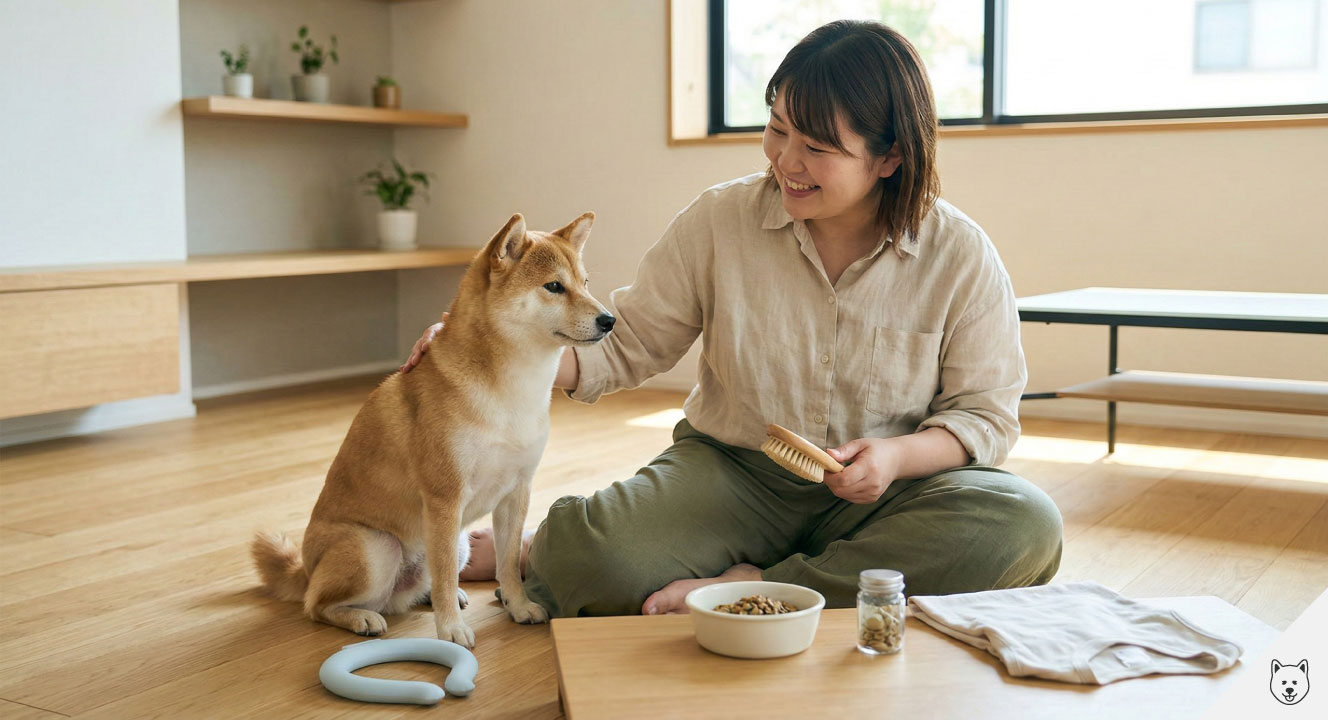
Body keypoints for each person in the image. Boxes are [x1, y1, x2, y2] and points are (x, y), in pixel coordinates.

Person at [403, 19, 1061, 617]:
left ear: (888, 157)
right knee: (585, 562)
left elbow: (984, 416)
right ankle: (547, 552)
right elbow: (628, 342)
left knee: (1026, 526)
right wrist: (485, 347)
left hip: (889, 496)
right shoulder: (719, 220)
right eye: (778, 129)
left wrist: (895, 456)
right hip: (733, 474)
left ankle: (757, 586)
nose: (786, 161)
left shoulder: (959, 254)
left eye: (817, 147)